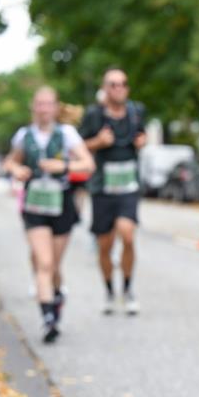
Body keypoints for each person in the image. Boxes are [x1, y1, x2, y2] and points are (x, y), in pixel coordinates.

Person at [3, 86, 95, 343]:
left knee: (53, 265)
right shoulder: (24, 135)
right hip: (34, 203)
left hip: (61, 202)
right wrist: (16, 170)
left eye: (48, 104)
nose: (43, 109)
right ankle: (48, 319)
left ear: (56, 107)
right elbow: (10, 161)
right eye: (39, 104)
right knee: (43, 262)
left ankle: (56, 295)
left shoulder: (67, 134)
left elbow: (88, 164)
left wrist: (62, 166)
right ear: (33, 107)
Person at [79, 68, 148, 316]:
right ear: (105, 88)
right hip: (103, 188)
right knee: (105, 246)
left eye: (123, 84)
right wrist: (98, 142)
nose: (119, 88)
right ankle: (109, 290)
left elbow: (142, 134)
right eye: (113, 84)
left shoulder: (136, 111)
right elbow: (79, 146)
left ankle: (127, 289)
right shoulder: (93, 115)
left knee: (128, 235)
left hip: (128, 186)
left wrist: (142, 141)